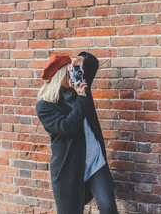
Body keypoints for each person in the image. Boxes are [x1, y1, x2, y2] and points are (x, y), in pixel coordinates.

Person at [36, 52, 118, 214]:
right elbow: (68, 127)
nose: (74, 75)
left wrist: (81, 60)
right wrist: (81, 97)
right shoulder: (45, 107)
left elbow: (93, 63)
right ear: (60, 77)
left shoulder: (80, 86)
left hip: (95, 161)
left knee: (108, 208)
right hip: (69, 168)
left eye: (73, 71)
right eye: (69, 73)